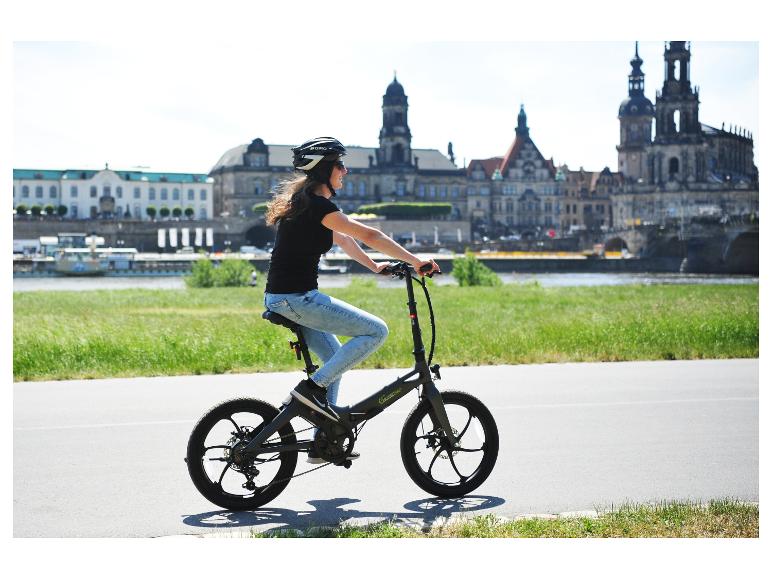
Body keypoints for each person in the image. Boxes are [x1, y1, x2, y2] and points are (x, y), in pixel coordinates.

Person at [263, 137, 439, 463]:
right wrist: (416, 261)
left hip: (283, 298)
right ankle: (309, 392)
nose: (345, 171)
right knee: (376, 331)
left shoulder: (307, 206)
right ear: (325, 170)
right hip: (297, 299)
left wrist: (376, 267)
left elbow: (344, 240)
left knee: (334, 358)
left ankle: (322, 441)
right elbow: (370, 235)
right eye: (340, 165)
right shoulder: (319, 207)